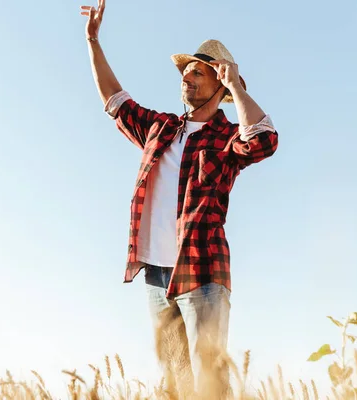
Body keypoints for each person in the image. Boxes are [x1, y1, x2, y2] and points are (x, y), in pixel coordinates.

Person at [81, 1, 279, 398]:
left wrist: (236, 86)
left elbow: (263, 141)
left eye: (199, 71)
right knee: (175, 381)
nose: (187, 75)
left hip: (203, 272)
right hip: (156, 275)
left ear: (219, 85)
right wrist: (93, 41)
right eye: (186, 69)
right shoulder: (161, 127)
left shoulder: (226, 138)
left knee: (209, 380)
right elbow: (114, 102)